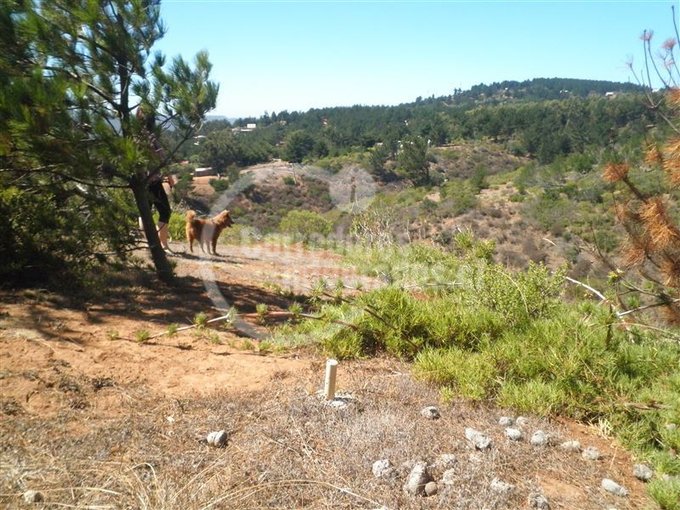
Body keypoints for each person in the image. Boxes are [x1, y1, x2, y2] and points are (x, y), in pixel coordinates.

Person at [136, 106, 174, 253]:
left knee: (144, 212)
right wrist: (170, 177)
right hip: (153, 182)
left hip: (140, 182)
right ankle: (162, 245)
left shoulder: (135, 136)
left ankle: (150, 244)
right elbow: (162, 159)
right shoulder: (151, 137)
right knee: (165, 211)